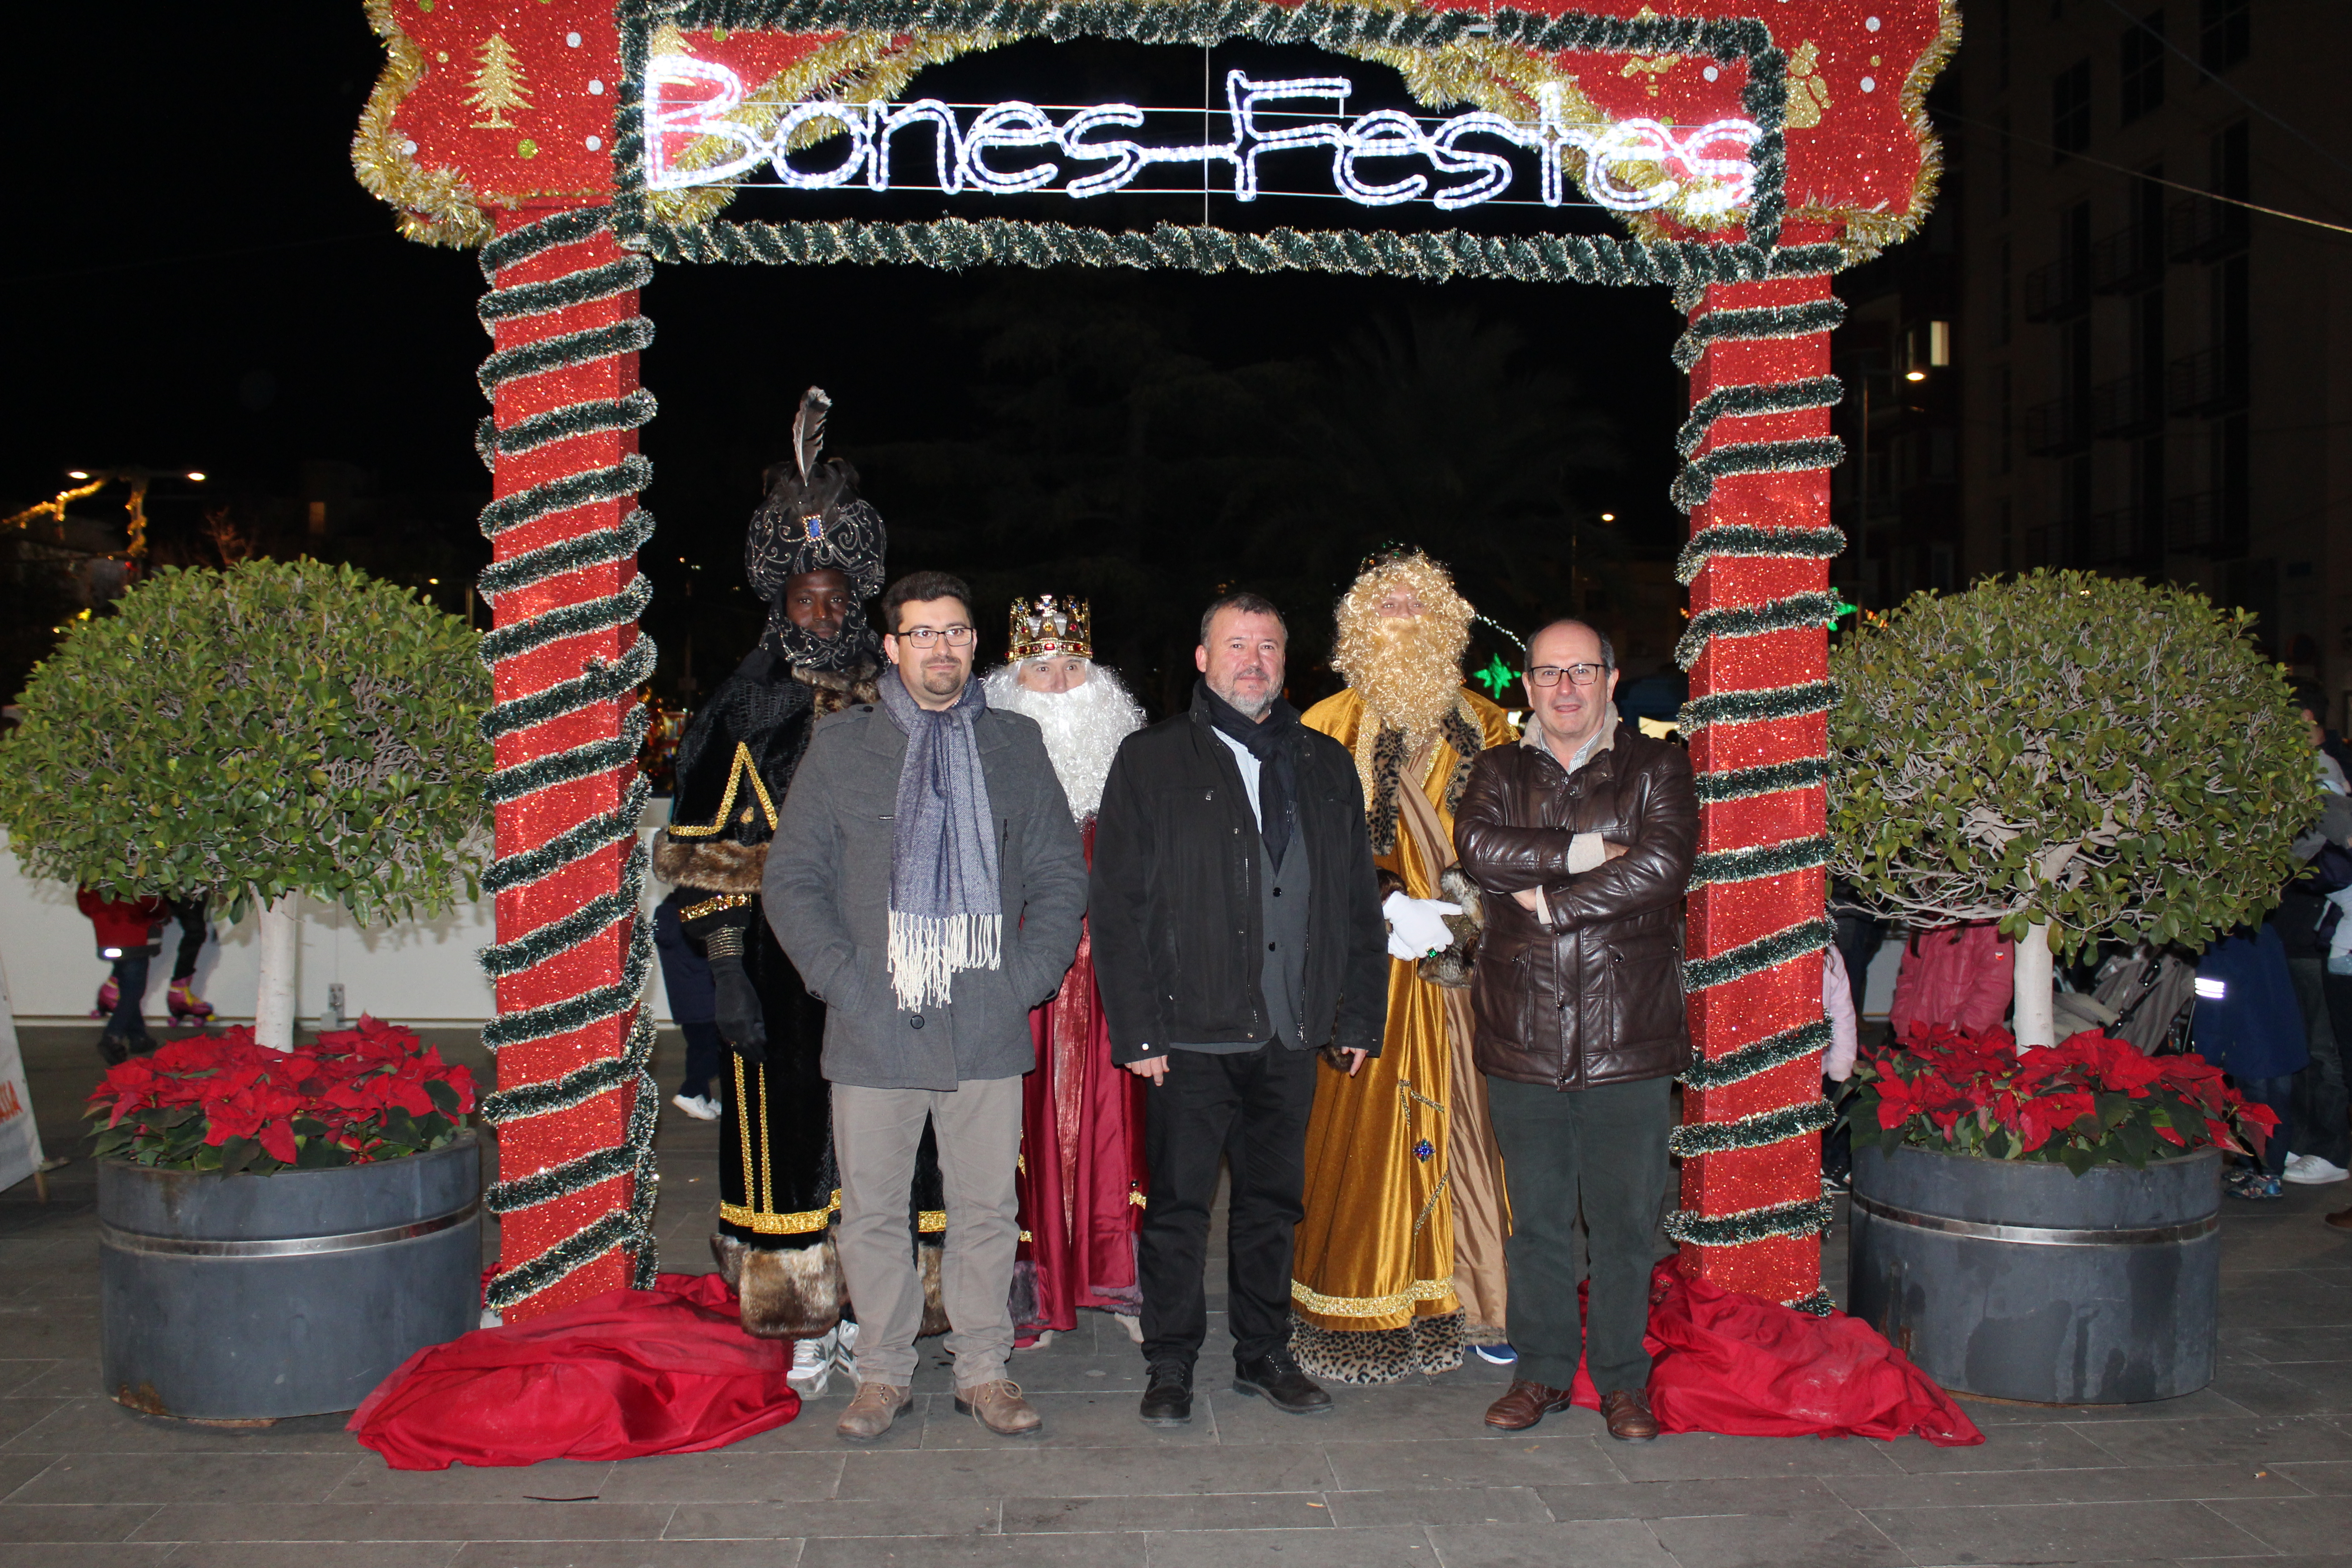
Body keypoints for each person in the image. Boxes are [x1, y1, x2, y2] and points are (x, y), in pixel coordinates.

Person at [769, 569, 1088, 1442]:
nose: (939, 647)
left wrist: (1026, 977)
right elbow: (792, 880)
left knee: (986, 1211)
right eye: (921, 633)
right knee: (872, 1213)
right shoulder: (842, 747)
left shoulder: (1013, 744)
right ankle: (882, 1373)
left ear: (973, 643)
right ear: (891, 646)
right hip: (873, 1023)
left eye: (953, 631)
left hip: (984, 1019)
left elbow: (1059, 873)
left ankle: (982, 1370)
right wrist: (843, 980)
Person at [1090, 591, 1388, 1427]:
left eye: (1267, 647)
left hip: (1290, 1032)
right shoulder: (1150, 759)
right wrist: (1137, 1028)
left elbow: (1354, 902)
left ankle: (1263, 1352)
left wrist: (1357, 1015)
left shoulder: (1325, 764)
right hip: (1187, 1034)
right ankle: (1170, 1362)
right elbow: (1116, 905)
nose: (1252, 662)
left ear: (1284, 662)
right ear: (1202, 658)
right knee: (1179, 1211)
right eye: (1235, 645)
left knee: (1271, 1208)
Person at [652, 388, 885, 1372]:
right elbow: (703, 851)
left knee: (882, 1142)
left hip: (883, 957)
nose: (821, 614)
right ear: (777, 604)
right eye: (803, 600)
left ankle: (876, 1309)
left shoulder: (894, 696)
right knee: (782, 1138)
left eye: (835, 599)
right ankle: (800, 1318)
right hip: (771, 962)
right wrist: (728, 974)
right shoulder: (742, 706)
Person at [1454, 618, 1696, 1443]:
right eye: (1549, 673)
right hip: (1522, 1029)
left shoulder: (1657, 766)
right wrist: (1594, 852)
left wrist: (1552, 903)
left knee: (1626, 1224)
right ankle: (1543, 1372)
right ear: (1526, 685)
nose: (1565, 688)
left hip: (1627, 1030)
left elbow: (1661, 867)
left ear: (1610, 679)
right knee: (1539, 1222)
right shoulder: (1495, 770)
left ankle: (1623, 1380)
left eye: (1582, 671)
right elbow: (1479, 850)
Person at [1288, 550, 1518, 1382]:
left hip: (1462, 966)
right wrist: (1381, 905)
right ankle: (1363, 1301)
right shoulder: (1322, 723)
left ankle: (1474, 1299)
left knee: (1469, 1126)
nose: (1400, 618)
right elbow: (1297, 849)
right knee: (1359, 1134)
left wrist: (1460, 916)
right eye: (1384, 606)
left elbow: (1510, 841)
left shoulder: (1489, 725)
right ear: (1357, 624)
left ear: (1446, 622)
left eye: (1416, 605)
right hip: (1363, 965)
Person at [981, 596, 1151, 1348]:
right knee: (1018, 1131)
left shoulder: (1134, 768)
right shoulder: (989, 763)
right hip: (1022, 981)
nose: (1058, 686)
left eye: (1074, 668)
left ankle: (1117, 1279)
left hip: (1115, 981)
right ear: (1011, 681)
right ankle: (1036, 1289)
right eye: (1040, 669)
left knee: (1119, 1127)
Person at [2192, 923, 2308, 1200]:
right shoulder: (2264, 931)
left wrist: (2206, 1057)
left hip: (2246, 1041)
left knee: (2254, 1111)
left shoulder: (2218, 944)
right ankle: (2259, 1167)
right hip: (2281, 1035)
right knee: (2277, 1106)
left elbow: (2212, 1006)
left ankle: (2264, 1175)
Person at [77, 888, 167, 1063]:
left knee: (127, 989)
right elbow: (151, 904)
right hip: (136, 937)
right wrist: (162, 910)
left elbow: (85, 901)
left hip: (109, 938)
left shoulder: (94, 876)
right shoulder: (136, 875)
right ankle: (113, 1036)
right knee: (133, 991)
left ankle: (139, 1037)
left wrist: (103, 917)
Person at [1888, 923, 2014, 1038]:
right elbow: (1908, 978)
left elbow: (1995, 988)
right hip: (1918, 1038)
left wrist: (1964, 1034)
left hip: (1963, 1044)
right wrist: (1903, 1025)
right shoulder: (1928, 919)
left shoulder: (1988, 924)